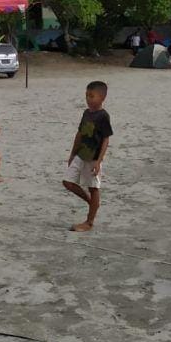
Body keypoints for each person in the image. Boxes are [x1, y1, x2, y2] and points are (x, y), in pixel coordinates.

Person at [63, 80, 113, 232]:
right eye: (87, 96)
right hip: (81, 153)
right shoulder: (86, 113)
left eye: (92, 96)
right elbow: (79, 133)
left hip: (93, 157)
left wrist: (99, 161)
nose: (88, 99)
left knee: (93, 187)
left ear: (102, 98)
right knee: (67, 182)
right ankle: (91, 202)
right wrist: (72, 153)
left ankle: (89, 222)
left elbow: (106, 139)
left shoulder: (103, 116)